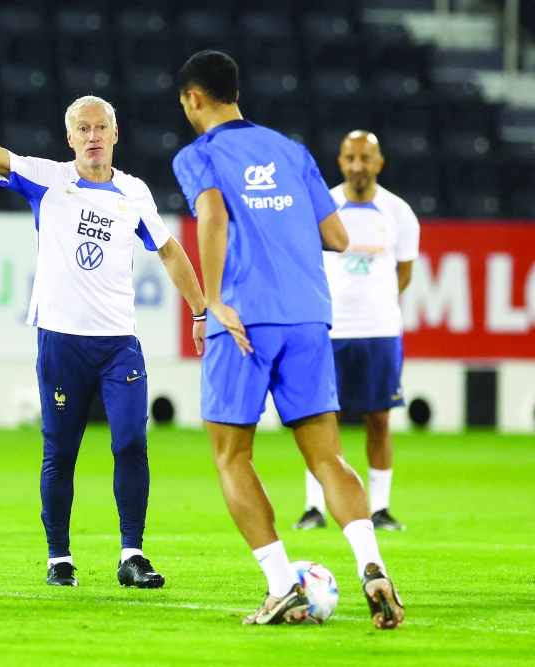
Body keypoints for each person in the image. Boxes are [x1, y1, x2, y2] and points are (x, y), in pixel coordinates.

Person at [0, 83, 207, 589]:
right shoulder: (47, 179)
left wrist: (199, 311)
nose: (94, 135)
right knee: (60, 452)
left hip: (119, 342)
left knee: (130, 443)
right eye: (84, 128)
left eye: (101, 126)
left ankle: (133, 554)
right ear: (70, 137)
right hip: (61, 341)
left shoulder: (135, 193)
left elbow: (169, 251)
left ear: (116, 134)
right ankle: (59, 558)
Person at [172, 51, 404, 629]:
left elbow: (213, 216)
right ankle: (371, 566)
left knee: (232, 455)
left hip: (244, 321)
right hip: (307, 318)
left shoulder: (199, 155)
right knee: (327, 456)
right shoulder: (291, 150)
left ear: (193, 99)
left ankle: (283, 587)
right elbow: (337, 235)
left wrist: (215, 298)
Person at [293, 131, 419, 533]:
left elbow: (404, 274)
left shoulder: (399, 213)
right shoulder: (325, 207)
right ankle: (315, 507)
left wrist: (374, 304)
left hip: (380, 331)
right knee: (319, 418)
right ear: (341, 161)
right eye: (351, 158)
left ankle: (379, 508)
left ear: (379, 163)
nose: (358, 166)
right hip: (329, 329)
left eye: (366, 158)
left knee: (379, 418)